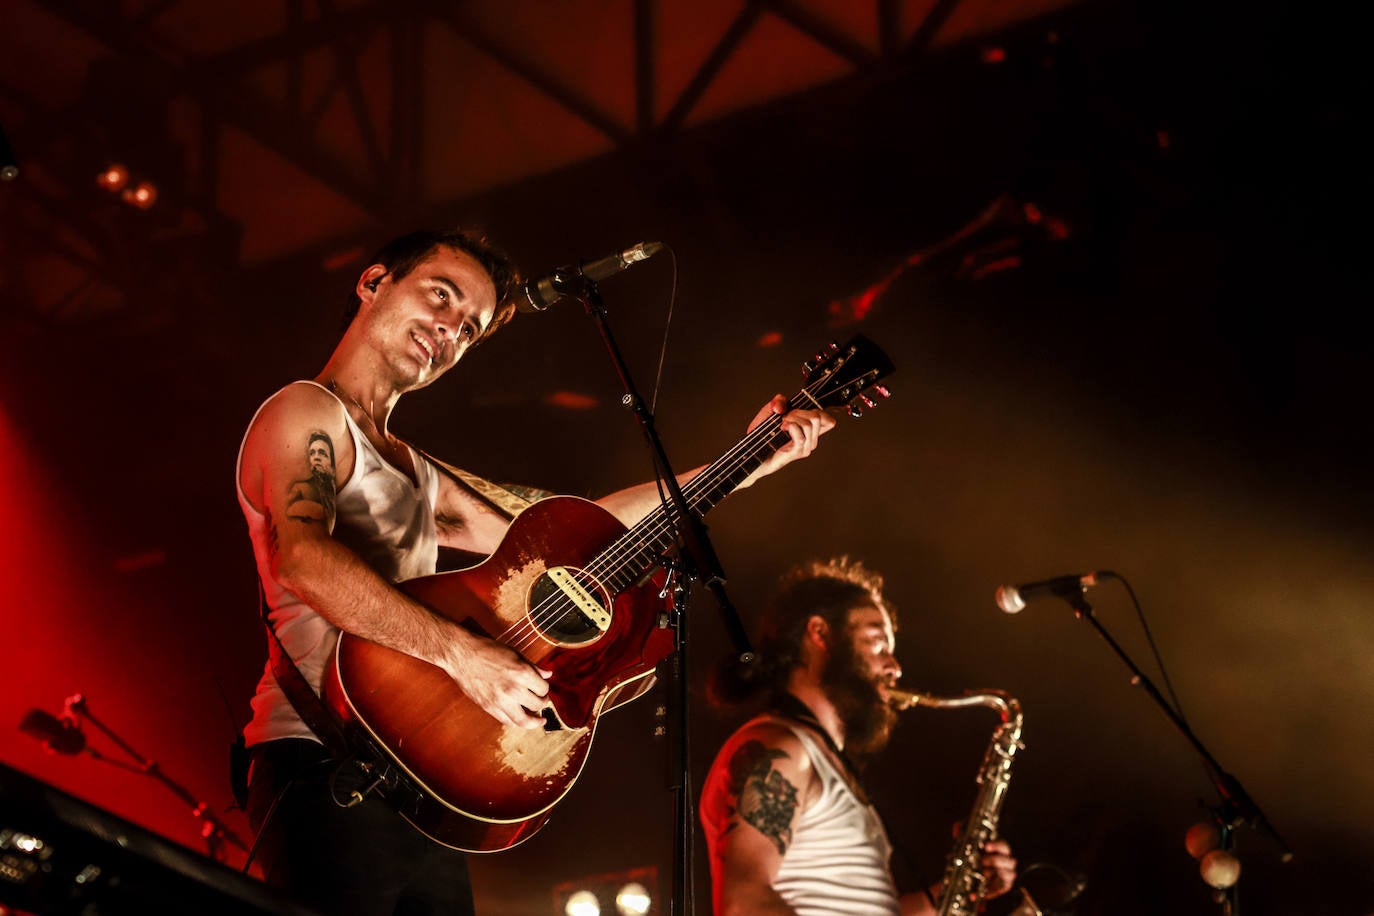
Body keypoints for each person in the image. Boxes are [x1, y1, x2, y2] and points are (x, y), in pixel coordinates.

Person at [233, 227, 835, 916]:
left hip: (420, 769)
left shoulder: (411, 467)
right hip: (319, 756)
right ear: (373, 283)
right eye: (440, 296)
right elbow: (302, 558)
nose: (449, 329)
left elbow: (574, 529)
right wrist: (465, 656)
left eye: (469, 327)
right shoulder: (307, 410)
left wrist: (749, 460)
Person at [699, 557, 1021, 916]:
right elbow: (744, 903)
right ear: (820, 633)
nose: (895, 667)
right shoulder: (780, 747)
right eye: (878, 643)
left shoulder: (824, 762)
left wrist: (952, 892)